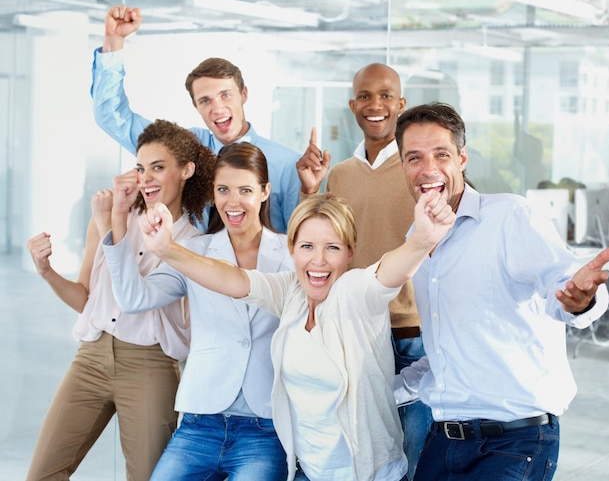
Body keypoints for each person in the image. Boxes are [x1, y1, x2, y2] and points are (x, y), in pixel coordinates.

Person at [130, 188, 455, 481]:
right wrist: (168, 250)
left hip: (367, 475)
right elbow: (231, 279)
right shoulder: (291, 292)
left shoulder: (354, 294)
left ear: (350, 252)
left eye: (333, 247)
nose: (319, 260)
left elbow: (387, 272)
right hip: (308, 473)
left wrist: (421, 241)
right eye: (307, 246)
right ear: (292, 250)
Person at [392, 102, 609, 481]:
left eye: (441, 154)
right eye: (414, 157)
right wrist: (377, 392)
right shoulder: (416, 241)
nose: (428, 168)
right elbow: (445, 352)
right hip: (444, 441)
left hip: (514, 441)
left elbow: (563, 286)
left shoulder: (510, 218)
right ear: (402, 166)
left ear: (462, 158)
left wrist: (581, 300)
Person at [25, 119, 214, 481]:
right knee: (42, 473)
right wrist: (46, 271)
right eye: (141, 168)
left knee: (146, 477)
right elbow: (85, 299)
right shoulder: (110, 219)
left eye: (158, 167)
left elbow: (135, 299)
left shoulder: (194, 244)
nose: (147, 178)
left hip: (150, 365)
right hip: (90, 358)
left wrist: (114, 221)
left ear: (186, 170)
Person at [101, 143, 292, 480]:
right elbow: (134, 299)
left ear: (265, 192)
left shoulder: (291, 253)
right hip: (199, 421)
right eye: (223, 190)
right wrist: (118, 218)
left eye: (245, 190)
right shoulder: (193, 251)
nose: (233, 202)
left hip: (265, 427)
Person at [296, 62, 430, 478]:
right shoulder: (340, 173)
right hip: (354, 331)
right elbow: (322, 243)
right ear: (353, 104)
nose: (376, 105)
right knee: (367, 456)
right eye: (366, 97)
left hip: (411, 334)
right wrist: (310, 190)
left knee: (411, 455)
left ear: (401, 104)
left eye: (387, 95)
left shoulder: (420, 170)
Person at [91, 5, 301, 233]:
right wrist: (113, 41)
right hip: (188, 265)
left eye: (225, 95)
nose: (217, 108)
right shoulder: (185, 148)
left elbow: (298, 238)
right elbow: (112, 117)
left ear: (244, 95)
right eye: (205, 100)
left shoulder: (287, 164)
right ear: (195, 106)